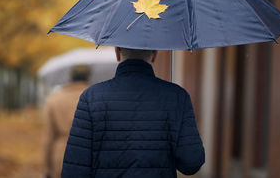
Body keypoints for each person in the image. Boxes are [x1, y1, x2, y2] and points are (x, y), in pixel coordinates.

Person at [61, 47, 205, 178]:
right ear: (154, 54)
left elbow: (74, 170)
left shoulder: (91, 97)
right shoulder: (177, 97)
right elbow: (191, 163)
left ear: (117, 52)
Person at [42, 65, 91, 178]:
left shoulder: (54, 99)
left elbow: (48, 137)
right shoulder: (96, 98)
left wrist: (46, 168)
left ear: (70, 77)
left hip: (61, 155)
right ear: (88, 77)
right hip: (88, 155)